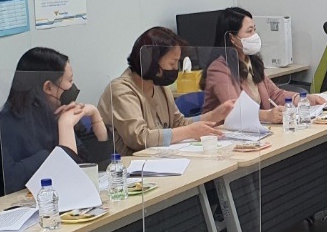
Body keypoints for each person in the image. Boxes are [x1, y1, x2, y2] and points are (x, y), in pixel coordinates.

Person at [0, 47, 112, 200]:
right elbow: (67, 179)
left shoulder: (51, 116)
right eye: (70, 81)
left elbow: (95, 163)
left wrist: (95, 115)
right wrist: (65, 127)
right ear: (48, 87)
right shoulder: (2, 131)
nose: (72, 88)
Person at [97, 26, 235, 156]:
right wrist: (189, 131)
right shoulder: (120, 90)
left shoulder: (159, 86)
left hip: (159, 157)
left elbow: (178, 123)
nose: (175, 68)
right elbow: (139, 138)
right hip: (130, 165)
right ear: (151, 62)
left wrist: (214, 115)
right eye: (172, 63)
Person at [203, 7, 324, 125]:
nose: (254, 35)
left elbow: (275, 94)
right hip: (221, 132)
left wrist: (303, 99)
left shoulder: (250, 61)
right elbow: (234, 109)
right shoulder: (219, 69)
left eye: (254, 30)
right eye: (249, 31)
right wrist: (267, 115)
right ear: (232, 38)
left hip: (253, 129)